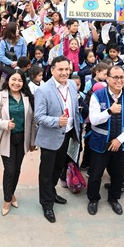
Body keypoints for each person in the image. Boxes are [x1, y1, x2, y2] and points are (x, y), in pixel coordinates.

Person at [34, 56, 82, 223]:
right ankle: (46, 204)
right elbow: (38, 117)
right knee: (46, 173)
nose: (64, 73)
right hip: (50, 137)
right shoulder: (44, 90)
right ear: (52, 70)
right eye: (60, 69)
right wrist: (56, 121)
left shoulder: (73, 86)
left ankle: (52, 193)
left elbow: (75, 110)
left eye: (66, 69)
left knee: (58, 168)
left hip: (67, 134)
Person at [86, 66, 124, 216]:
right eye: (115, 77)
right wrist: (109, 111)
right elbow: (94, 120)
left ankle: (114, 198)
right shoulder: (97, 96)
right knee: (96, 174)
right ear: (107, 78)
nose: (119, 80)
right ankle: (93, 199)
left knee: (117, 174)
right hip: (99, 143)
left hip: (121, 144)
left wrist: (120, 140)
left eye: (121, 77)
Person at [0, 70, 36, 216]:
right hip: (6, 138)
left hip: (22, 139)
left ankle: (12, 193)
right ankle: (7, 199)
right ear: (8, 80)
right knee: (9, 170)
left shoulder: (27, 97)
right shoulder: (0, 96)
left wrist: (32, 141)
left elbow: (32, 121)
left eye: (20, 80)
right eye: (13, 79)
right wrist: (5, 124)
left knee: (17, 169)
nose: (16, 83)